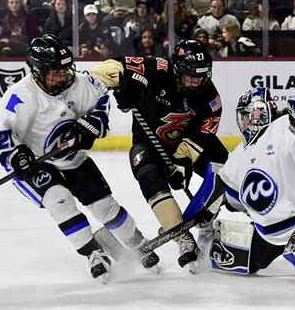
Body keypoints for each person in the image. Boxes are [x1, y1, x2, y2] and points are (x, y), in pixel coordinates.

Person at [0, 34, 159, 281]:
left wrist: (92, 124)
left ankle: (137, 242)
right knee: (59, 201)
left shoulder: (80, 84)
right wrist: (18, 156)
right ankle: (93, 253)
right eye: (55, 72)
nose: (63, 76)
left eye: (65, 69)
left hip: (74, 159)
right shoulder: (20, 96)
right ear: (37, 71)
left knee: (105, 207)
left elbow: (101, 99)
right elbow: (5, 136)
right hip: (38, 163)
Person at [183, 87, 295, 295]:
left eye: (245, 115)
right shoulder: (237, 157)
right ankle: (212, 245)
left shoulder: (287, 128)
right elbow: (226, 192)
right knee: (219, 254)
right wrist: (198, 217)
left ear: (257, 112)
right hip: (268, 234)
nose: (243, 122)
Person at [90, 39, 229, 269]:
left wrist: (181, 165)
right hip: (148, 144)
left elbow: (200, 138)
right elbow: (103, 69)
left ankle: (208, 222)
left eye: (201, 76)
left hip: (185, 145)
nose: (196, 82)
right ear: (176, 69)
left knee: (225, 171)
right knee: (147, 174)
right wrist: (124, 85)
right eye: (189, 76)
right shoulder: (157, 68)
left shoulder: (211, 100)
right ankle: (182, 237)